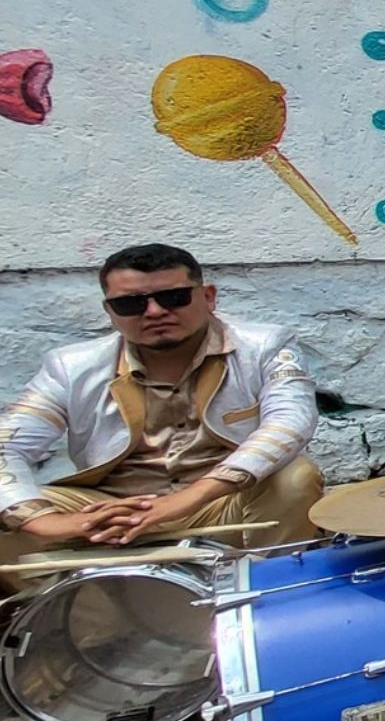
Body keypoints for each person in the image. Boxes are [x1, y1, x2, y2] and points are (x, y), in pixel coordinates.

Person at [0, 244, 323, 585]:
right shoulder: (71, 367)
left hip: (222, 501)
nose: (153, 312)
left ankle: (272, 598)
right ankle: (71, 625)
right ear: (110, 312)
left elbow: (290, 422)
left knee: (295, 477)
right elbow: (7, 444)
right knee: (9, 509)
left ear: (208, 297)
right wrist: (46, 522)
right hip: (112, 509)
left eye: (174, 297)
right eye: (130, 304)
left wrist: (185, 500)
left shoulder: (264, 346)